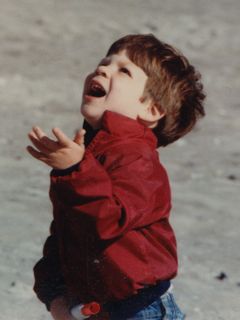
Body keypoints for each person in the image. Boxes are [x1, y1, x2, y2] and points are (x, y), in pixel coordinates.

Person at [27, 34, 205, 320]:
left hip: (139, 310)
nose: (102, 70)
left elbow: (107, 220)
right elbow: (68, 231)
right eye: (103, 63)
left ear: (151, 109)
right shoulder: (92, 153)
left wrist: (73, 171)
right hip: (95, 309)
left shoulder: (137, 158)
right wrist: (54, 294)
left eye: (124, 70)